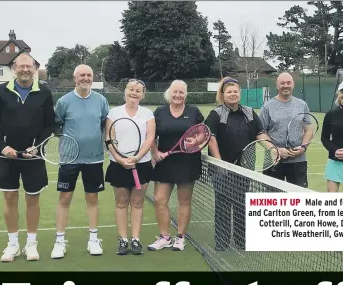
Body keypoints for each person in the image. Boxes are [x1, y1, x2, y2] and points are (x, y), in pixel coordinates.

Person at [0, 53, 55, 262]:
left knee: (32, 199)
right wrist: (3, 146)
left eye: (29, 66)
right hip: (6, 155)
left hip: (33, 156)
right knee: (10, 198)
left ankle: (31, 245)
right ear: (14, 67)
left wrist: (37, 147)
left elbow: (49, 125)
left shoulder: (44, 92)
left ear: (35, 68)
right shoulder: (1, 91)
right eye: (21, 66)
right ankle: (13, 244)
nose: (25, 69)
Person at [204, 77, 270, 251]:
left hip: (245, 168)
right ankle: (222, 243)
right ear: (223, 95)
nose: (233, 94)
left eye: (235, 91)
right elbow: (211, 138)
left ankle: (242, 241)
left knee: (242, 204)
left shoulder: (249, 112)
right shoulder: (216, 113)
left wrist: (273, 148)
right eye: (229, 92)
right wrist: (219, 163)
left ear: (240, 93)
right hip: (222, 170)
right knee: (223, 205)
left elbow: (260, 134)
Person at [51, 64, 109, 258]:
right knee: (64, 199)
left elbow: (104, 124)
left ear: (92, 78)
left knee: (92, 199)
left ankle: (93, 240)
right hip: (69, 159)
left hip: (94, 159)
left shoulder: (101, 100)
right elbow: (56, 126)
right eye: (82, 75)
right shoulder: (64, 102)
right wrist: (69, 143)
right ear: (75, 78)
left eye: (89, 75)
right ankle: (59, 242)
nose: (85, 78)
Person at [148, 80, 204, 251]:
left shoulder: (193, 111)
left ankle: (180, 237)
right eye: (175, 92)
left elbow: (202, 132)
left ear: (185, 94)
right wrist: (155, 152)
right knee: (159, 200)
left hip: (188, 161)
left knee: (184, 201)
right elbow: (151, 136)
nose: (178, 95)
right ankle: (165, 237)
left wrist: (197, 140)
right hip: (165, 163)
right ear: (169, 93)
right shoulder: (160, 112)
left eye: (181, 92)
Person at [105, 79, 155, 255]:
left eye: (138, 90)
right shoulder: (113, 112)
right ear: (125, 91)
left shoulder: (148, 114)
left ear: (143, 94)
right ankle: (123, 240)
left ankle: (135, 240)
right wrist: (120, 159)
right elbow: (109, 139)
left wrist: (137, 157)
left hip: (142, 165)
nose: (134, 93)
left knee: (137, 203)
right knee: (121, 203)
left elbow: (150, 139)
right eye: (131, 89)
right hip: (118, 165)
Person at [259, 72, 311, 187]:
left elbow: (309, 130)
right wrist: (275, 150)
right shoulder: (267, 107)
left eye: (288, 83)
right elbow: (260, 133)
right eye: (282, 83)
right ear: (277, 86)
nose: (285, 85)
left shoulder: (302, 105)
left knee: (298, 199)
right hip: (273, 161)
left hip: (298, 161)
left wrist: (303, 147)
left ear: (293, 85)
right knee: (273, 200)